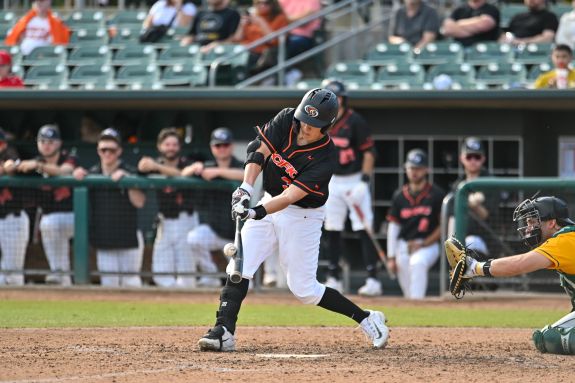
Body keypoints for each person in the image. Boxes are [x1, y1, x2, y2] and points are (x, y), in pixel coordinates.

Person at [197, 88, 389, 352]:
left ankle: (367, 318)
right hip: (269, 197)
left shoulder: (326, 155)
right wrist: (245, 188)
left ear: (328, 125)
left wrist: (255, 212)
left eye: (314, 124)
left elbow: (291, 196)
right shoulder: (287, 119)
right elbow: (259, 150)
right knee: (240, 265)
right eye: (304, 120)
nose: (305, 127)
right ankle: (223, 331)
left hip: (303, 216)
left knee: (304, 289)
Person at [457, 196, 575, 355]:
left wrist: (475, 267)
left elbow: (520, 264)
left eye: (533, 222)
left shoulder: (565, 240)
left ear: (552, 223)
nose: (528, 228)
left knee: (548, 338)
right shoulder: (567, 237)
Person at [320, 79, 380, 296]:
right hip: (332, 180)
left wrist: (364, 181)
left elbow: (369, 152)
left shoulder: (355, 120)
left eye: (337, 99)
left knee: (364, 227)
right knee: (332, 228)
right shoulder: (320, 122)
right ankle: (333, 276)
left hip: (355, 179)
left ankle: (373, 278)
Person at [73, 128, 146, 287]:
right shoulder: (92, 173)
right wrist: (77, 175)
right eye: (103, 150)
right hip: (104, 239)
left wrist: (127, 181)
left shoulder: (130, 171)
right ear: (98, 151)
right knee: (109, 284)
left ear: (119, 151)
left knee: (131, 283)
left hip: (129, 238)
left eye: (111, 150)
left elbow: (140, 202)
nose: (107, 154)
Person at [138, 128, 201, 288]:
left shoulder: (187, 162)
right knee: (160, 271)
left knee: (187, 273)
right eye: (167, 144)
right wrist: (143, 166)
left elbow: (181, 174)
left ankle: (188, 302)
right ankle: (170, 302)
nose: (171, 148)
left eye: (174, 144)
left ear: (179, 147)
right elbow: (140, 169)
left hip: (186, 220)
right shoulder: (155, 163)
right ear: (160, 146)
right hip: (165, 221)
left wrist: (157, 167)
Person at [15, 125, 76, 286]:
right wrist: (15, 165)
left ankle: (57, 272)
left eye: (51, 141)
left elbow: (65, 171)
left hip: (75, 217)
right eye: (42, 141)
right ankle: (63, 279)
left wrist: (38, 166)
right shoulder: (35, 161)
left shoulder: (67, 157)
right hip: (51, 220)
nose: (46, 145)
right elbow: (16, 168)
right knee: (49, 224)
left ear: (59, 143)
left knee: (49, 223)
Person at [184, 127, 244, 288]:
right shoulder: (207, 165)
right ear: (212, 147)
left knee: (244, 282)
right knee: (194, 238)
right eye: (218, 145)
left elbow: (245, 174)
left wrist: (216, 171)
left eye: (225, 145)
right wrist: (195, 167)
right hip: (214, 229)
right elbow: (183, 174)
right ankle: (210, 276)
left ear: (231, 146)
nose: (222, 148)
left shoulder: (238, 164)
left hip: (237, 232)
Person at [386, 149, 444, 299]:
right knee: (407, 285)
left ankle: (417, 303)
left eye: (418, 168)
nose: (414, 172)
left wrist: (424, 243)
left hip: (428, 245)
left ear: (426, 170)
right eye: (411, 168)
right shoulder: (399, 195)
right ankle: (412, 308)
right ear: (406, 169)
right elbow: (393, 227)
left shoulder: (437, 194)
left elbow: (443, 226)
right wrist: (391, 256)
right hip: (404, 245)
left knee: (418, 264)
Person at [450, 137, 498, 258]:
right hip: (460, 237)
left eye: (477, 157)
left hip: (486, 240)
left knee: (471, 245)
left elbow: (485, 215)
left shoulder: (490, 182)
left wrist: (471, 204)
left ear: (483, 159)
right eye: (469, 156)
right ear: (462, 158)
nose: (473, 160)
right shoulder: (457, 184)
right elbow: (452, 217)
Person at [0, 130, 29, 286]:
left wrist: (5, 167)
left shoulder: (10, 153)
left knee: (12, 273)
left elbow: (11, 165)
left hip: (13, 219)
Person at [231, 0, 288, 76]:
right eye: (258, 3)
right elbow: (237, 39)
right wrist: (241, 25)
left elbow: (273, 40)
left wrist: (261, 22)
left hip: (264, 54)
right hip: (246, 51)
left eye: (266, 3)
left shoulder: (280, 18)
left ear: (273, 4)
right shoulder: (252, 17)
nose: (262, 5)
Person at [4, 0, 70, 56]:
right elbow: (12, 41)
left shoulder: (56, 23)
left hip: (44, 59)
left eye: (41, 1)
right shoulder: (25, 20)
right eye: (35, 1)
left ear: (49, 1)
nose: (38, 3)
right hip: (23, 58)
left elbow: (59, 45)